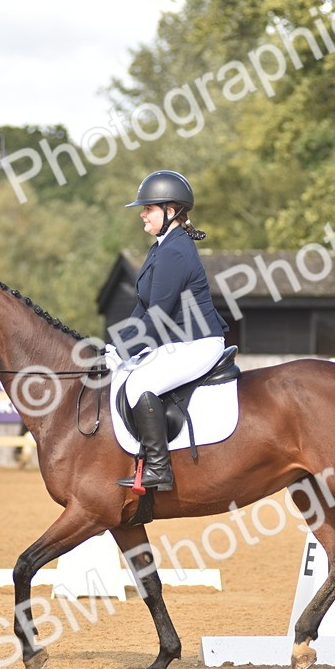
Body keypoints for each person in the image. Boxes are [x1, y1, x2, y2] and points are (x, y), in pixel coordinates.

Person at [112, 170, 229, 500]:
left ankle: (159, 468)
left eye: (148, 208)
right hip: (178, 343)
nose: (142, 214)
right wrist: (116, 347)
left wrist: (122, 350)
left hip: (197, 343)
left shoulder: (175, 252)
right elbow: (142, 307)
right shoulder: (160, 249)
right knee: (123, 374)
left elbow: (158, 315)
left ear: (171, 211)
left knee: (139, 383)